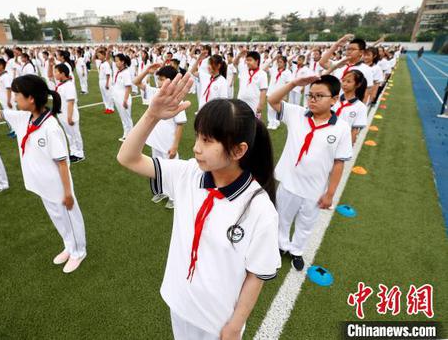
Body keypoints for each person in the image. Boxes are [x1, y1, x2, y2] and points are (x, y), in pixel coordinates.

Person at [117, 73, 281, 340]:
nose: (195, 148)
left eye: (207, 140)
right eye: (197, 137)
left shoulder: (259, 208)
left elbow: (257, 274)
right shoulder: (188, 174)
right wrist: (152, 115)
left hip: (217, 320)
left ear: (238, 151)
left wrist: (235, 324)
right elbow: (128, 157)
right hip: (178, 302)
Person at [0, 67, 87, 273]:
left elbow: (63, 163)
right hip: (41, 183)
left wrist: (67, 192)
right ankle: (69, 246)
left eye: (17, 95)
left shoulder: (51, 127)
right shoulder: (23, 118)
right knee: (57, 218)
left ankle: (79, 251)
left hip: (57, 185)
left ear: (30, 98)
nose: (14, 99)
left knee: (69, 218)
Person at [267, 74, 352, 271]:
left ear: (334, 99)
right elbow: (272, 100)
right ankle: (281, 245)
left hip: (315, 188)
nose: (312, 100)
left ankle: (296, 250)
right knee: (282, 217)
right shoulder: (297, 114)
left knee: (306, 223)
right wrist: (295, 83)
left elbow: (339, 163)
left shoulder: (341, 128)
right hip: (289, 182)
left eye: (319, 96)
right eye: (310, 95)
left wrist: (330, 193)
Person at [133, 63, 186, 209]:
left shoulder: (176, 99)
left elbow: (180, 124)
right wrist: (146, 72)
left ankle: (175, 197)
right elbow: (136, 82)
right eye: (159, 79)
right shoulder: (153, 92)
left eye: (162, 79)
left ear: (171, 80)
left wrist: (175, 145)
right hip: (155, 140)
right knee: (157, 168)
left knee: (172, 170)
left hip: (168, 142)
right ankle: (161, 192)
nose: (159, 82)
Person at [333, 70, 368, 144]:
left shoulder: (361, 107)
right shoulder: (333, 99)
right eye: (343, 80)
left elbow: (354, 131)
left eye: (348, 82)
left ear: (358, 85)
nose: (344, 84)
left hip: (342, 142)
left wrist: (348, 148)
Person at [111, 53, 133, 142]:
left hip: (123, 98)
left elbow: (128, 87)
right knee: (123, 118)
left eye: (117, 61)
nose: (115, 63)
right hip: (117, 97)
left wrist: (125, 100)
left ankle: (131, 136)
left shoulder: (126, 72)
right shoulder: (118, 71)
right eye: (115, 61)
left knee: (127, 118)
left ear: (122, 62)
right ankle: (126, 134)